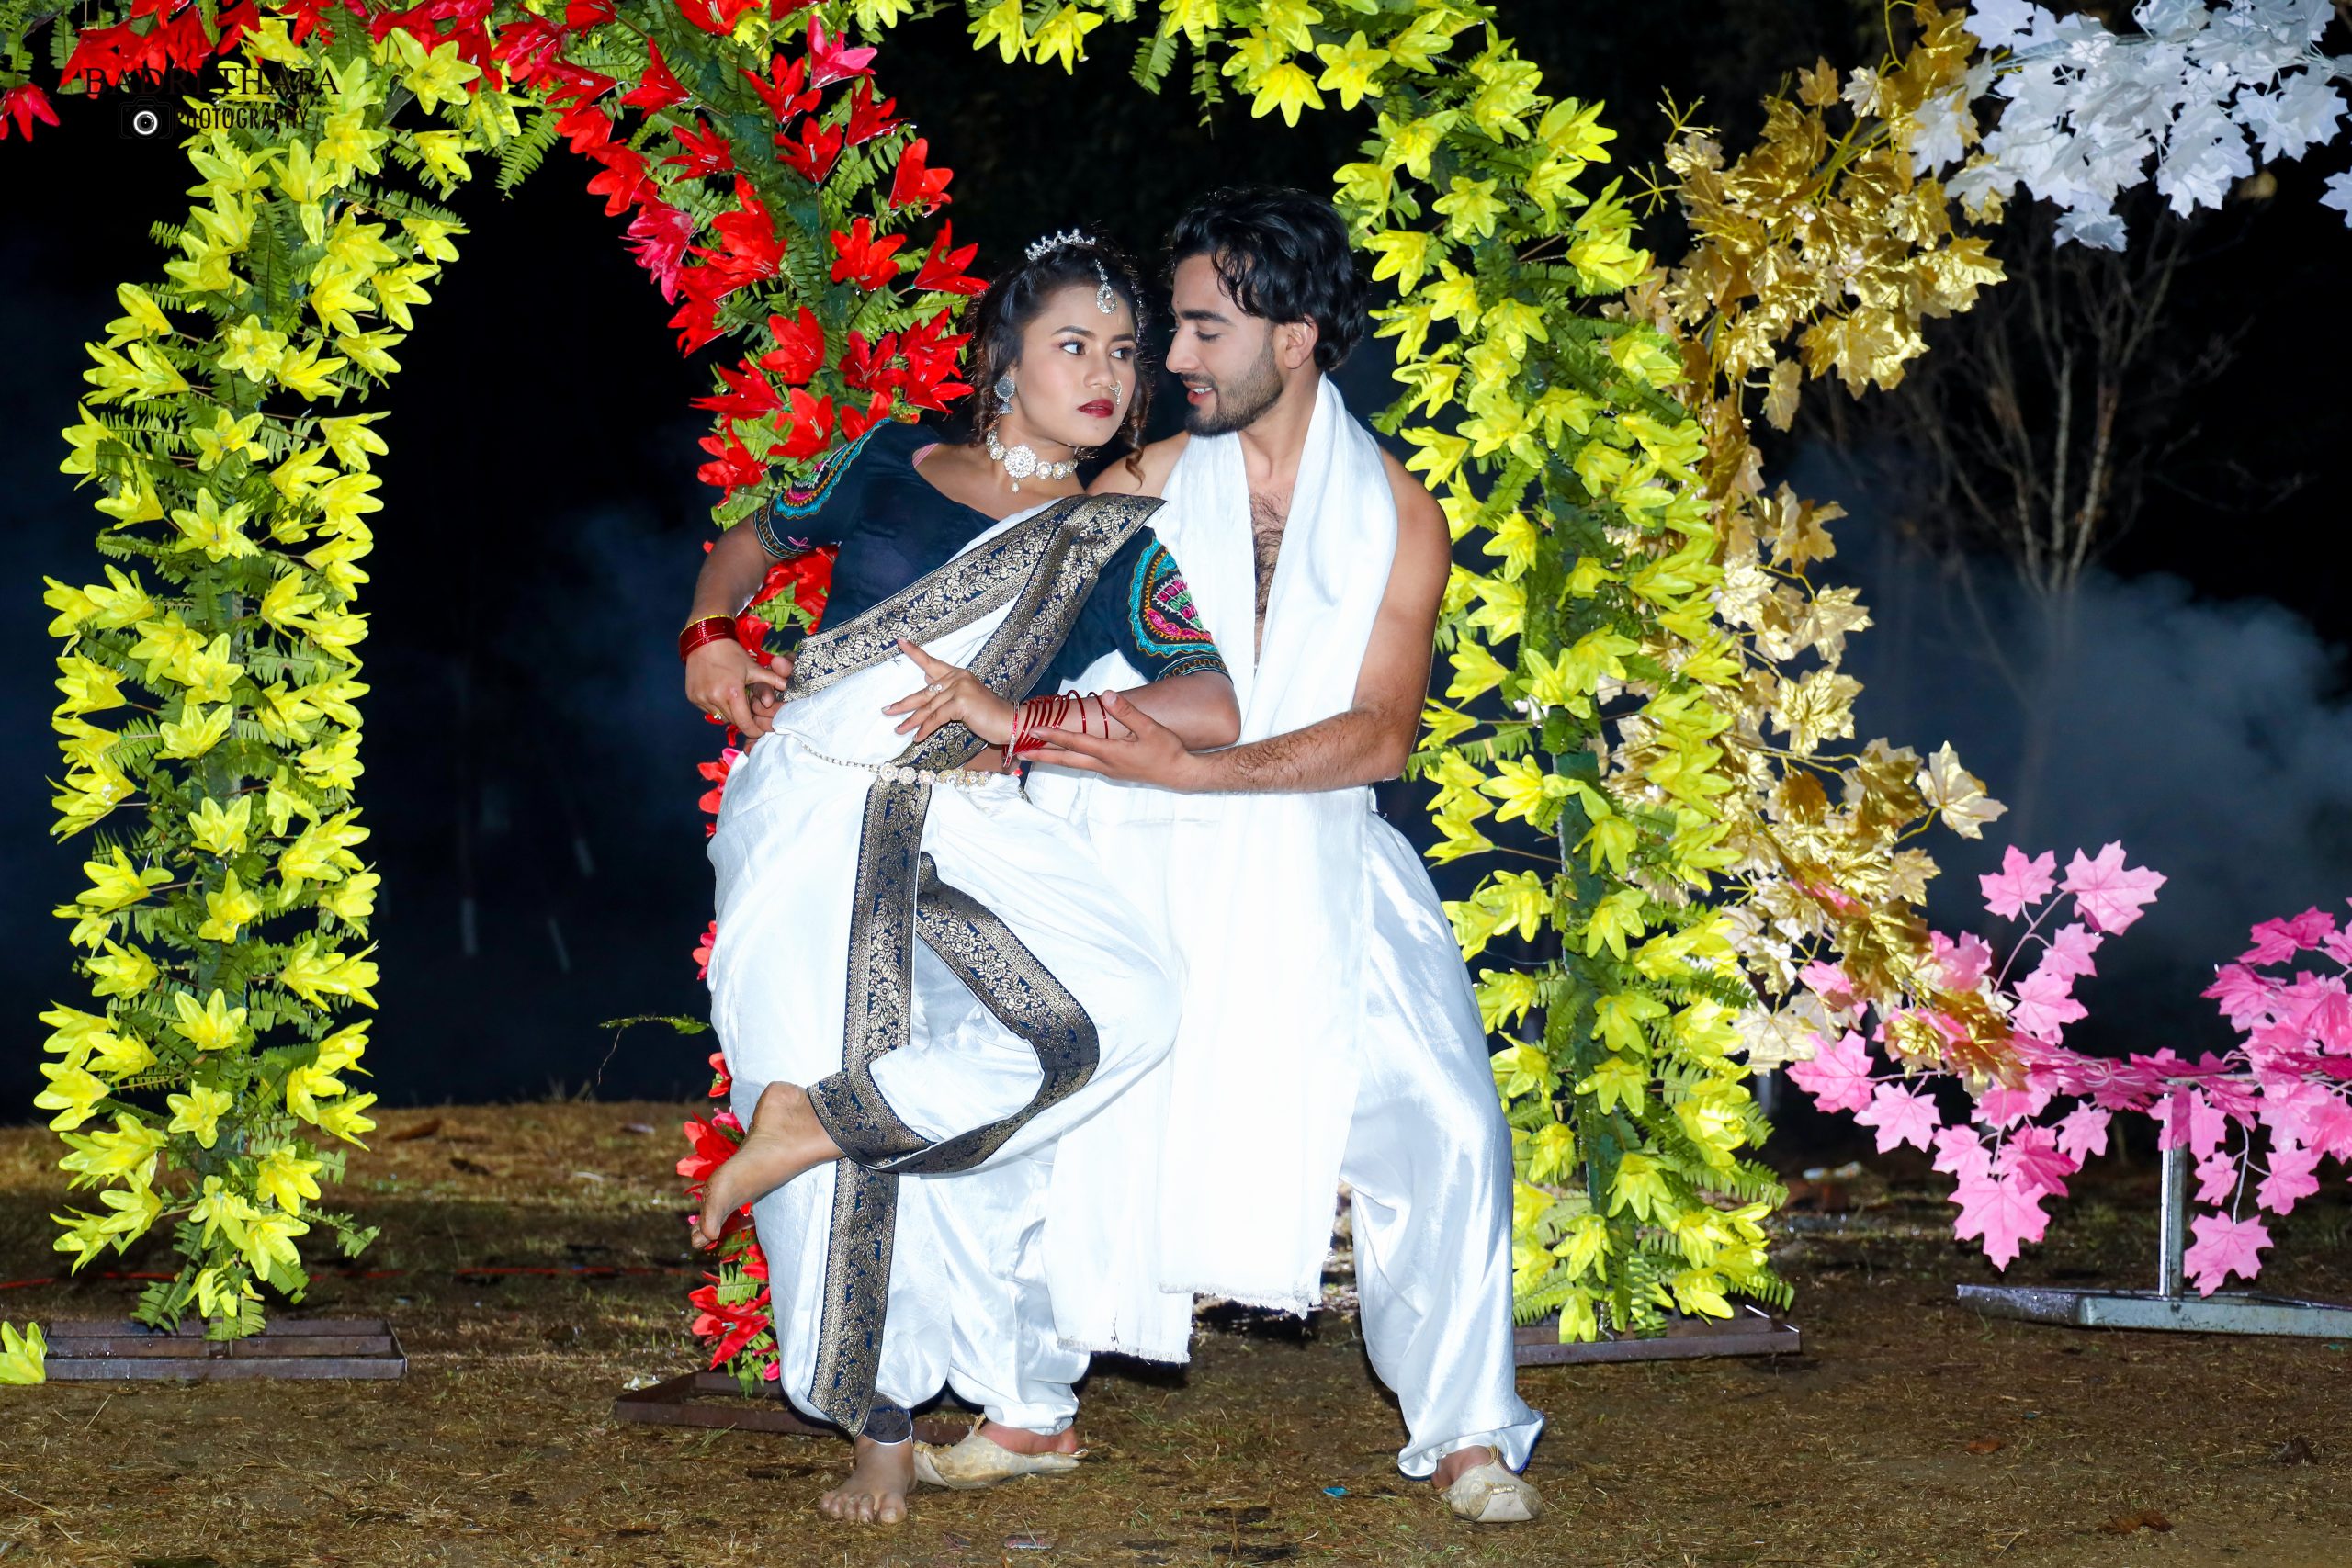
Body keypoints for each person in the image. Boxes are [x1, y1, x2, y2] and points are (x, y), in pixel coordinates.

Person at [677, 231, 1238, 1526]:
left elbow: (1209, 701)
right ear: (1003, 362)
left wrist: (1021, 721)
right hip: (815, 803)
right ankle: (878, 1427)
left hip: (970, 821)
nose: (1106, 376)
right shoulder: (890, 458)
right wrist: (710, 635)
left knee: (1125, 1007)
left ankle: (825, 1117)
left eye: (1124, 354)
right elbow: (751, 538)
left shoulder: (1111, 542)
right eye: (1073, 346)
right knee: (825, 1036)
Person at [1019, 189, 1546, 1525]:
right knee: (1044, 1102)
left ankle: (1468, 1436)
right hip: (1130, 845)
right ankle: (1023, 1404)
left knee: (1449, 1129)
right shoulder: (1137, 487)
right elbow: (1012, 638)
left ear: (1296, 337)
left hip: (1312, 844)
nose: (1173, 358)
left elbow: (1380, 734)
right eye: (1176, 327)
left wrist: (1203, 769)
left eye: (1205, 329)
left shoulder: (1399, 515)